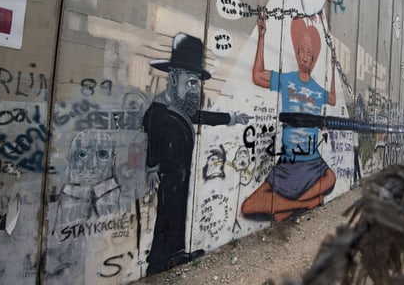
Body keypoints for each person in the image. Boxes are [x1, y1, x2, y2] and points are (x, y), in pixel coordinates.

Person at [143, 33, 250, 275]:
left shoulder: (179, 108)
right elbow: (153, 138)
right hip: (168, 177)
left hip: (180, 174)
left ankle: (176, 253)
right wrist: (152, 168)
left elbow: (201, 116)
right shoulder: (159, 111)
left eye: (196, 83)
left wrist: (231, 118)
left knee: (178, 214)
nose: (195, 89)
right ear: (172, 78)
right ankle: (159, 261)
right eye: (191, 82)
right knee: (167, 215)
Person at [241, 15, 336, 223]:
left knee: (331, 178)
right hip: (289, 162)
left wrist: (333, 70)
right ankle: (304, 203)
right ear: (297, 53)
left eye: (309, 54)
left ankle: (284, 206)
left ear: (313, 60)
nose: (304, 57)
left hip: (312, 161)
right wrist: (262, 37)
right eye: (301, 51)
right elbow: (257, 75)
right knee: (248, 206)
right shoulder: (286, 80)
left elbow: (332, 99)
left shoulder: (317, 90)